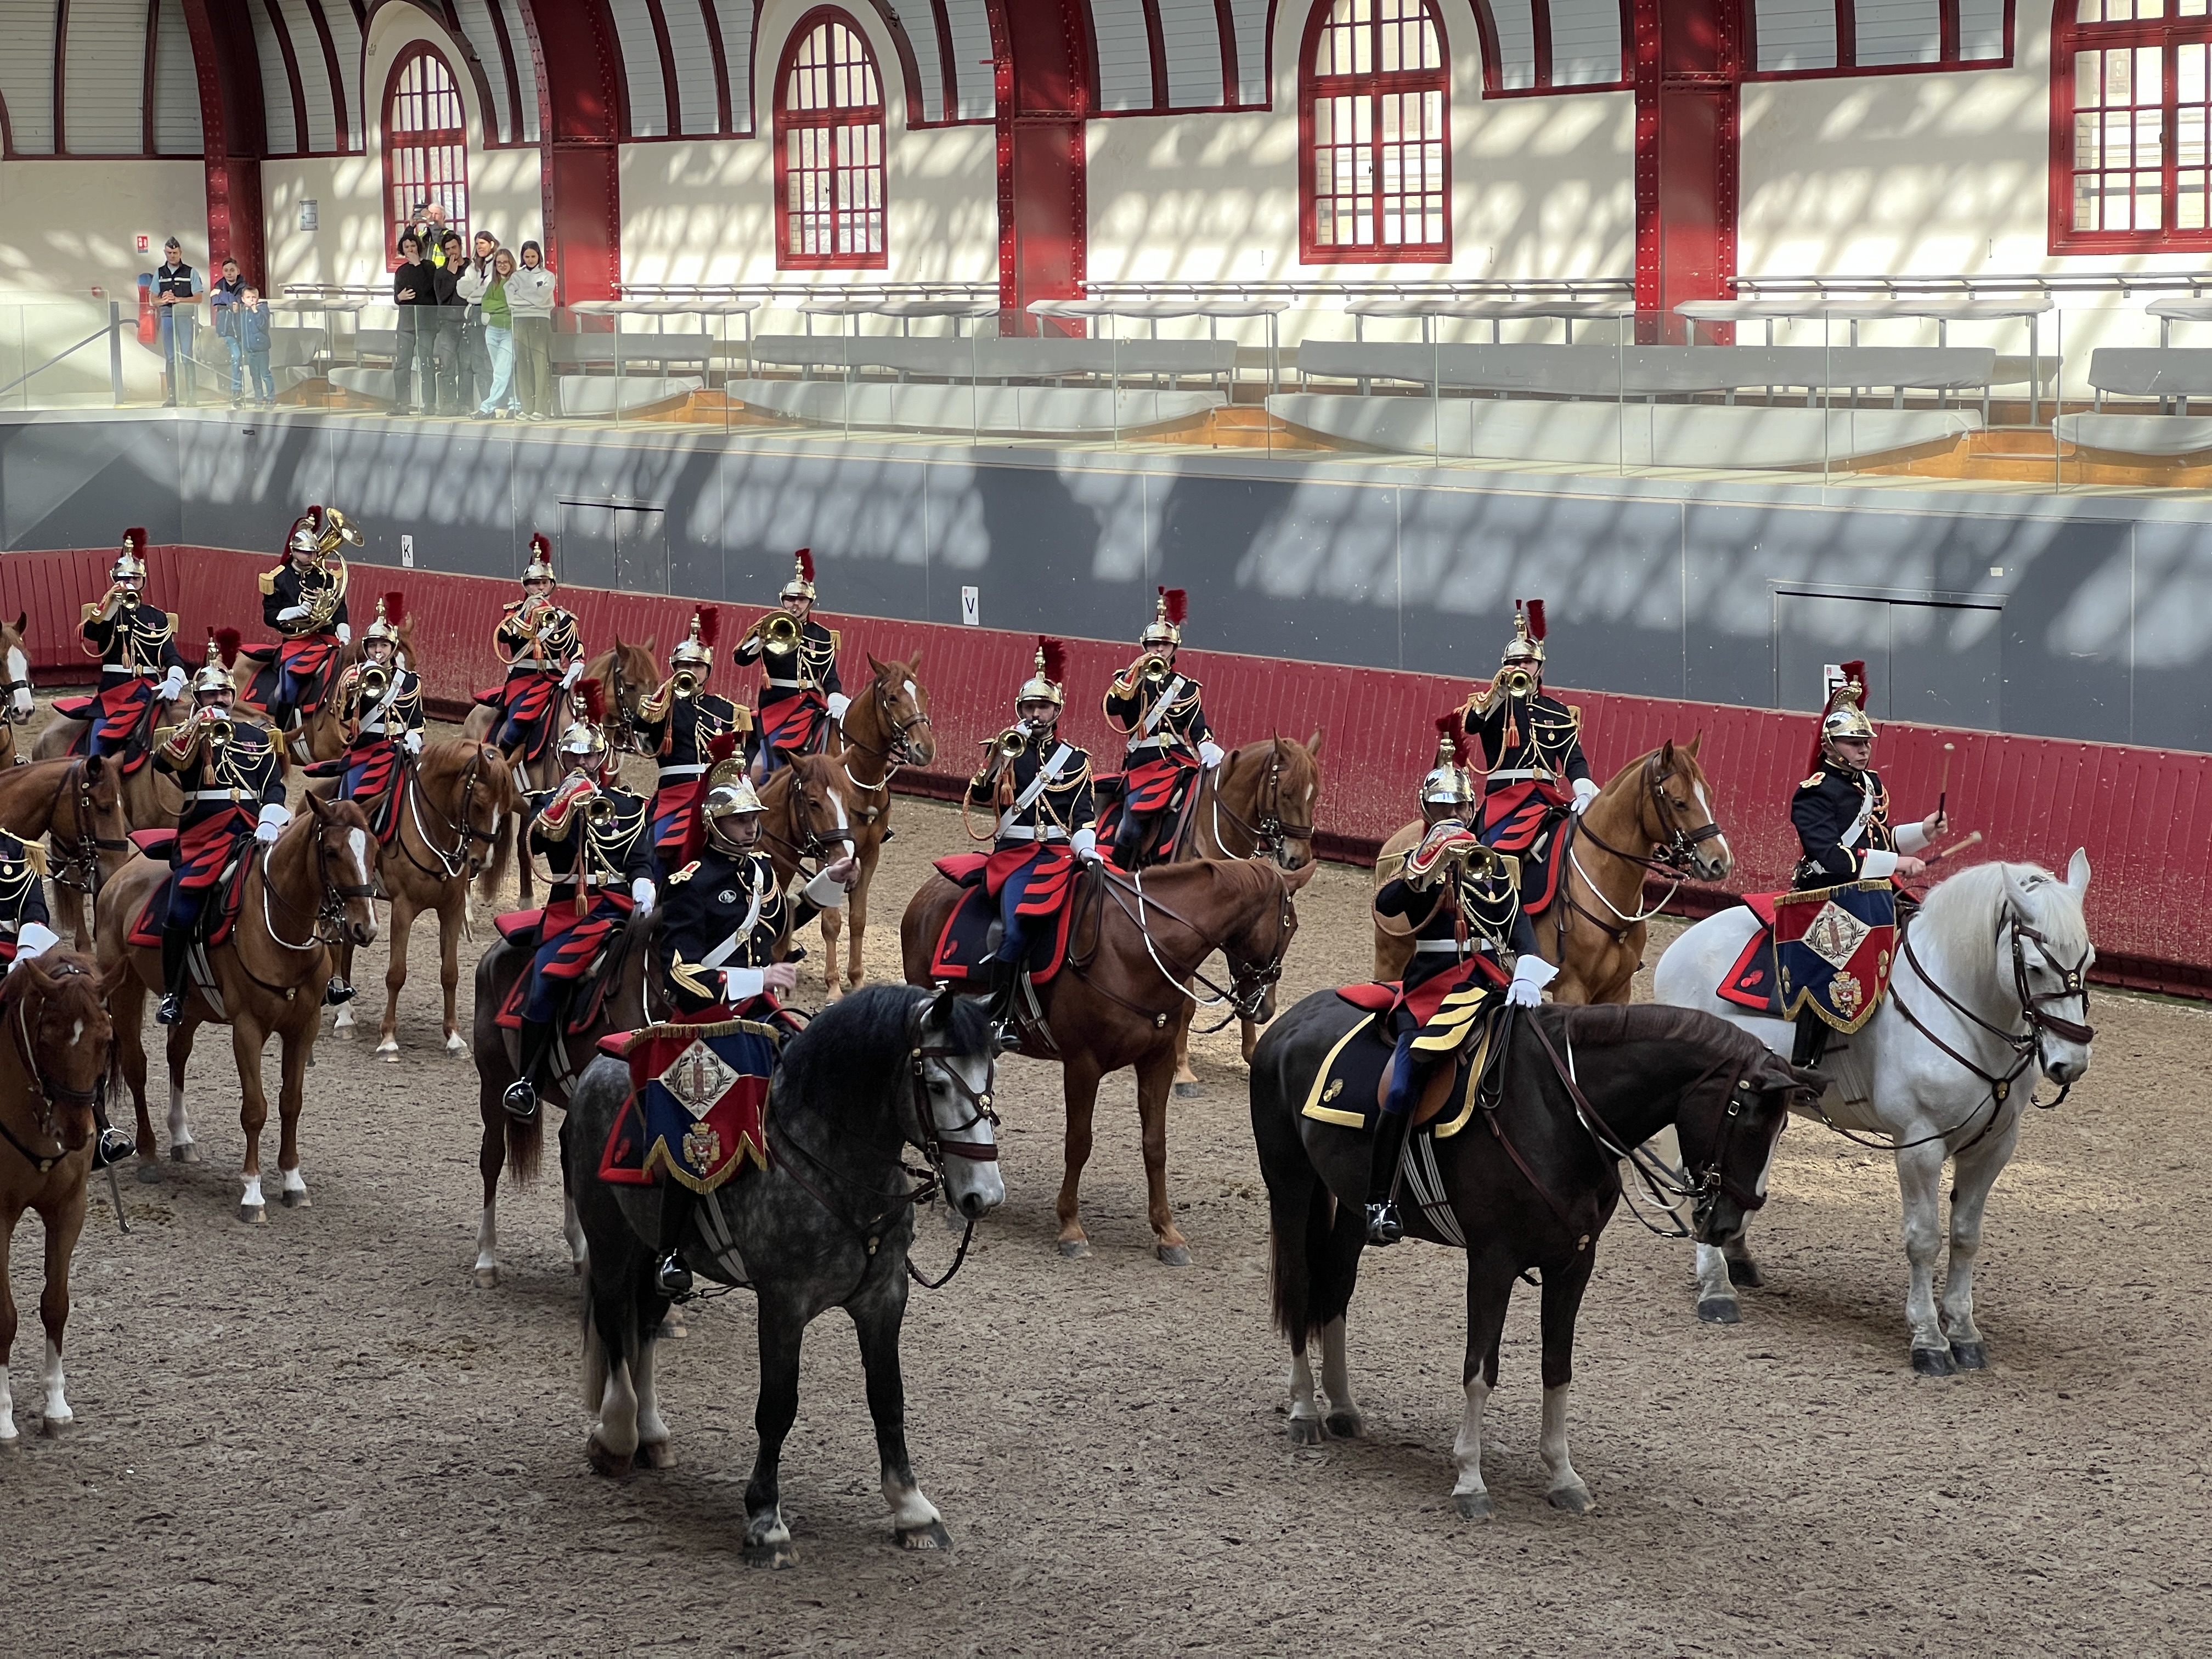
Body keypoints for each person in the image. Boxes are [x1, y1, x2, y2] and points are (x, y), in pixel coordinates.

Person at [648, 749, 856, 1295]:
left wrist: (831, 880)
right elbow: (681, 977)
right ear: (715, 824)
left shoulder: (762, 873)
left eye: (754, 819)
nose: (751, 828)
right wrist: (755, 982)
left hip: (763, 1014)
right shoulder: (688, 882)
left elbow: (785, 921)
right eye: (741, 820)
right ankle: (671, 1250)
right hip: (707, 1021)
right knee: (697, 1123)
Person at [1364, 713, 1555, 1246]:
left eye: (1457, 808)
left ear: (1471, 811)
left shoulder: (1491, 863)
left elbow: (1515, 918)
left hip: (1489, 981)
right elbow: (1387, 905)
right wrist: (1422, 868)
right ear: (1427, 811)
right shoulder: (1413, 860)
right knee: (1402, 1086)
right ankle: (1380, 1199)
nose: (1450, 816)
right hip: (1432, 988)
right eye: (1441, 809)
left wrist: (1530, 971)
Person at [503, 682, 655, 1120]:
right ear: (563, 760)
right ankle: (528, 1080)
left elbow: (641, 855)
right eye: (574, 757)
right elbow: (544, 847)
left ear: (602, 759)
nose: (582, 764)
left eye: (589, 757)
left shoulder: (629, 805)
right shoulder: (546, 804)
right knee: (547, 979)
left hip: (621, 906)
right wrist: (566, 804)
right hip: (572, 913)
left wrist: (644, 881)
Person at [1788, 661, 1948, 1062]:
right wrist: (1896, 864)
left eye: (1866, 743)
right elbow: (1834, 857)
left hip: (1873, 890)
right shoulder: (1814, 794)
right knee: (1827, 966)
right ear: (1829, 747)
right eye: (1853, 743)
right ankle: (1804, 1065)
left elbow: (1881, 836)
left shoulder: (1871, 784)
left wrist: (1924, 832)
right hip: (1827, 892)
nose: (1863, 750)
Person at [966, 638, 1098, 1049]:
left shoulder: (1075, 760)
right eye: (1029, 708)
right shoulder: (1004, 750)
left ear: (1057, 712)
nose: (1035, 714)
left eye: (1043, 708)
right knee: (1019, 926)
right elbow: (982, 798)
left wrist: (1086, 848)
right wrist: (998, 760)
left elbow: (1083, 815)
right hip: (1016, 857)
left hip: (1062, 853)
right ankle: (999, 1016)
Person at [153, 630, 290, 1028]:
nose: (219, 702)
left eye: (224, 695)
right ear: (199, 700)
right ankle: (173, 993)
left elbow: (275, 783)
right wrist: (193, 729)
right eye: (210, 696)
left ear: (234, 696)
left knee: (306, 877)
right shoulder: (188, 736)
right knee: (180, 909)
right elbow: (162, 766)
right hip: (205, 835)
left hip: (253, 828)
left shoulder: (255, 735)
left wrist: (270, 814)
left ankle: (324, 977)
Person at [1461, 600, 1596, 865]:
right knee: (1495, 854)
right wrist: (1496, 695)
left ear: (1541, 668)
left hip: (1547, 797)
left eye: (1528, 662)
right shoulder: (1492, 705)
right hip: (1505, 799)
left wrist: (1583, 791)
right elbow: (1471, 725)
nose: (1522, 667)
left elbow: (1573, 758)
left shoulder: (1558, 712)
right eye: (1514, 662)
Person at [1103, 586, 1223, 868]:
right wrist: (1131, 676)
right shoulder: (1129, 681)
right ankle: (1119, 871)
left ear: (1174, 649)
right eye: (1154, 644)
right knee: (1133, 819)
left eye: (1165, 645)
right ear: (1145, 647)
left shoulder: (1187, 687)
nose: (1159, 649)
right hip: (1143, 762)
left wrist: (1205, 745)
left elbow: (1197, 726)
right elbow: (1111, 709)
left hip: (1178, 761)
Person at [632, 608, 742, 877]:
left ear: (708, 670)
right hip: (675, 793)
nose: (691, 671)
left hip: (715, 792)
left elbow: (739, 754)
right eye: (685, 666)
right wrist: (665, 692)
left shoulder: (727, 710)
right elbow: (641, 728)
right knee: (655, 848)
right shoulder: (663, 703)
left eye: (697, 666)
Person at [68, 528, 188, 761]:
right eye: (123, 578)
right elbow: (92, 633)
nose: (129, 583)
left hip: (152, 690)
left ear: (143, 581)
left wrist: (174, 677)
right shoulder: (105, 612)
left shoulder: (157, 616)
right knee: (98, 746)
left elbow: (170, 654)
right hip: (115, 692)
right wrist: (110, 604)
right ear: (115, 580)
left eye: (134, 578)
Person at [732, 549, 845, 781]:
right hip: (777, 704)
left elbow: (830, 676)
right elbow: (741, 659)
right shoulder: (768, 626)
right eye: (790, 599)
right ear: (783, 601)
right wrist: (762, 638)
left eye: (801, 600)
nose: (795, 605)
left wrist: (835, 700)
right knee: (771, 762)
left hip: (811, 704)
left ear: (810, 602)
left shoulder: (822, 636)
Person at [248, 504, 358, 738]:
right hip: (297, 641)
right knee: (288, 686)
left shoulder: (326, 577)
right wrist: (294, 611)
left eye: (314, 553)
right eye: (306, 553)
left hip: (327, 638)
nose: (312, 557)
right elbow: (270, 615)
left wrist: (343, 630)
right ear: (294, 551)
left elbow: (339, 608)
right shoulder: (277, 578)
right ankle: (280, 731)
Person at [487, 534, 584, 786]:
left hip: (553, 679)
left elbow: (575, 652)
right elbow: (505, 637)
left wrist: (574, 669)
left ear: (551, 586)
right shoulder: (514, 612)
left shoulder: (562, 618)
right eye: (534, 583)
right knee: (520, 718)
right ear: (526, 586)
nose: (540, 588)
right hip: (524, 678)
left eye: (544, 583)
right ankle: (500, 765)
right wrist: (526, 613)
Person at [332, 592, 424, 809]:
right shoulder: (355, 674)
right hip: (366, 750)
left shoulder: (410, 681)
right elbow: (343, 716)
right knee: (351, 807)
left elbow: (417, 720)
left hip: (401, 751)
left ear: (392, 648)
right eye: (373, 646)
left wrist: (415, 737)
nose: (378, 651)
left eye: (383, 646)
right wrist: (351, 691)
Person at [467, 249, 522, 420]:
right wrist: (502, 306)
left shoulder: (518, 282)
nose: (502, 265)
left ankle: (488, 407)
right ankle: (515, 404)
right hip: (492, 331)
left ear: (511, 263)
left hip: (510, 331)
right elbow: (486, 305)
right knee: (503, 371)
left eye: (505, 262)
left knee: (501, 371)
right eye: (499, 263)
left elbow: (512, 305)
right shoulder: (493, 284)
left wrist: (499, 306)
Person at [151, 238, 204, 407]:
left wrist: (179, 299)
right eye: (169, 253)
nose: (172, 256)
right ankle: (172, 397)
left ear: (180, 253)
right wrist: (163, 299)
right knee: (171, 357)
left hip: (185, 317)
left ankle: (191, 396)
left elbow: (199, 298)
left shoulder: (191, 272)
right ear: (165, 253)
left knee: (187, 356)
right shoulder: (159, 273)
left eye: (175, 253)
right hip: (167, 317)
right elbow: (152, 299)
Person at [509, 241, 556, 421]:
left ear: (539, 256)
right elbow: (510, 299)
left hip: (540, 321)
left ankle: (541, 409)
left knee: (540, 364)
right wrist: (531, 296)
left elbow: (542, 299)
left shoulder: (548, 276)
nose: (530, 260)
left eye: (533, 256)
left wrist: (522, 293)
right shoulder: (515, 276)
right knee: (522, 365)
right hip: (520, 320)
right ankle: (527, 407)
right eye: (527, 257)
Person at [391, 232, 436, 414]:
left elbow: (428, 289)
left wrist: (418, 264)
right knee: (403, 363)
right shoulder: (401, 271)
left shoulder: (429, 266)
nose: (410, 250)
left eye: (413, 246)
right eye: (407, 247)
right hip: (406, 322)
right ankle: (402, 403)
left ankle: (429, 403)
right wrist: (398, 297)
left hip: (426, 322)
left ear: (419, 247)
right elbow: (397, 295)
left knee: (427, 362)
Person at [456, 229, 500, 409]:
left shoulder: (498, 263)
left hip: (492, 316)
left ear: (491, 244)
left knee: (489, 362)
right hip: (474, 315)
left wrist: (476, 291)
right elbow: (461, 289)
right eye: (477, 244)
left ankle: (494, 404)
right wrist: (477, 286)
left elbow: (490, 290)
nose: (479, 247)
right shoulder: (473, 267)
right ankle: (483, 404)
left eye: (482, 243)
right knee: (476, 361)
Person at [207, 257, 247, 407]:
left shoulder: (244, 286)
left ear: (238, 271)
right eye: (226, 271)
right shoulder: (219, 285)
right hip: (226, 329)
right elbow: (215, 301)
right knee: (236, 356)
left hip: (241, 328)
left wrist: (223, 296)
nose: (229, 273)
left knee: (243, 358)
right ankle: (236, 390)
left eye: (232, 270)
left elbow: (240, 301)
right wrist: (232, 302)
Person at [239, 287, 276, 408]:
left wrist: (256, 311)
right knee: (254, 375)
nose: (252, 300)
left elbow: (262, 324)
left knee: (265, 373)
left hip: (261, 348)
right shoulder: (243, 312)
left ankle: (271, 396)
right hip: (250, 349)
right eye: (249, 298)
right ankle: (259, 397)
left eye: (254, 297)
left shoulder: (262, 309)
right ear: (243, 299)